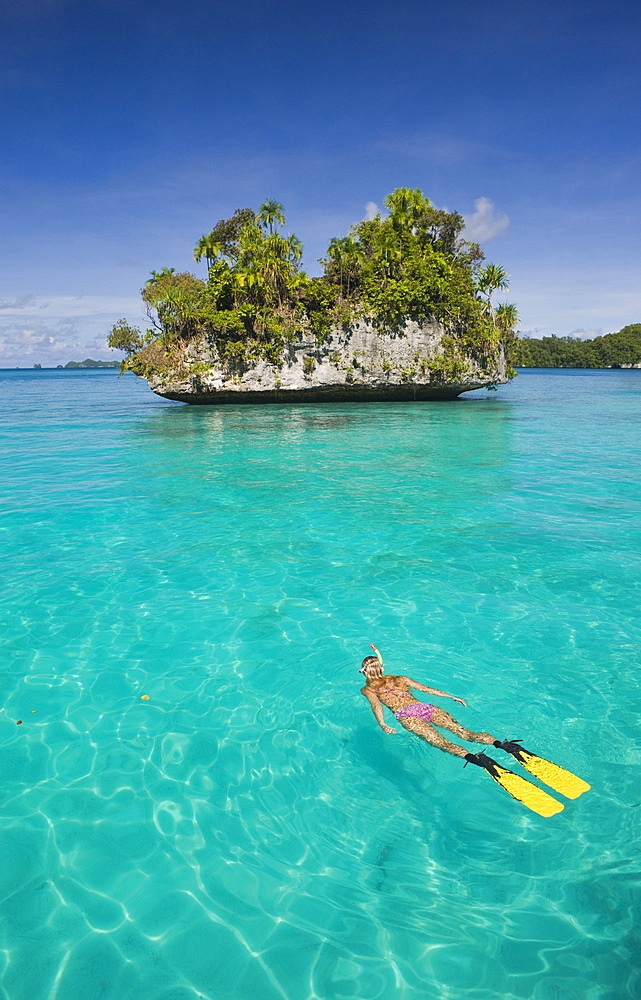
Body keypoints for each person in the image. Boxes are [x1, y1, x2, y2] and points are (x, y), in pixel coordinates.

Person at [359, 646, 590, 817]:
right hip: (425, 707)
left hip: (407, 716)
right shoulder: (400, 678)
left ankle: (479, 760)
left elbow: (376, 707)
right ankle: (505, 746)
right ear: (381, 667)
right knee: (465, 732)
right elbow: (427, 690)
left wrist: (382, 724)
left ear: (364, 671)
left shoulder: (368, 688)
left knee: (443, 743)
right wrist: (452, 697)